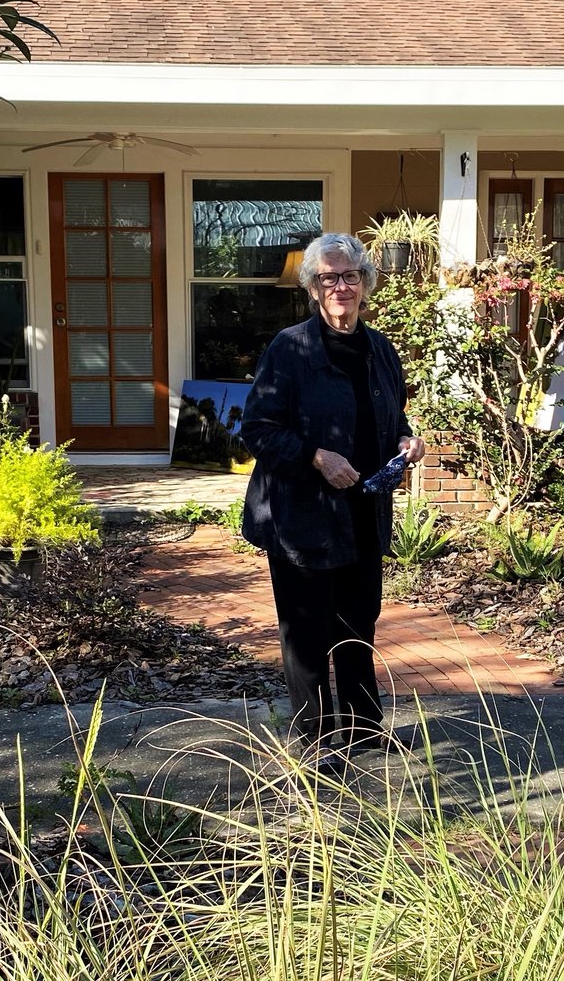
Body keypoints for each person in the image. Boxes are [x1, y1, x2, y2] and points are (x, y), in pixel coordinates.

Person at [241, 232, 426, 764]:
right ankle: (314, 742)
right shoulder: (290, 348)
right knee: (306, 632)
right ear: (313, 289)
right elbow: (257, 428)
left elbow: (388, 418)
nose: (340, 286)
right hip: (301, 516)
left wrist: (405, 439)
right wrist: (316, 456)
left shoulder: (381, 350)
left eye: (349, 276)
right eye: (327, 278)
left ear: (365, 283)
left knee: (357, 624)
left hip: (362, 512)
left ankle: (366, 730)